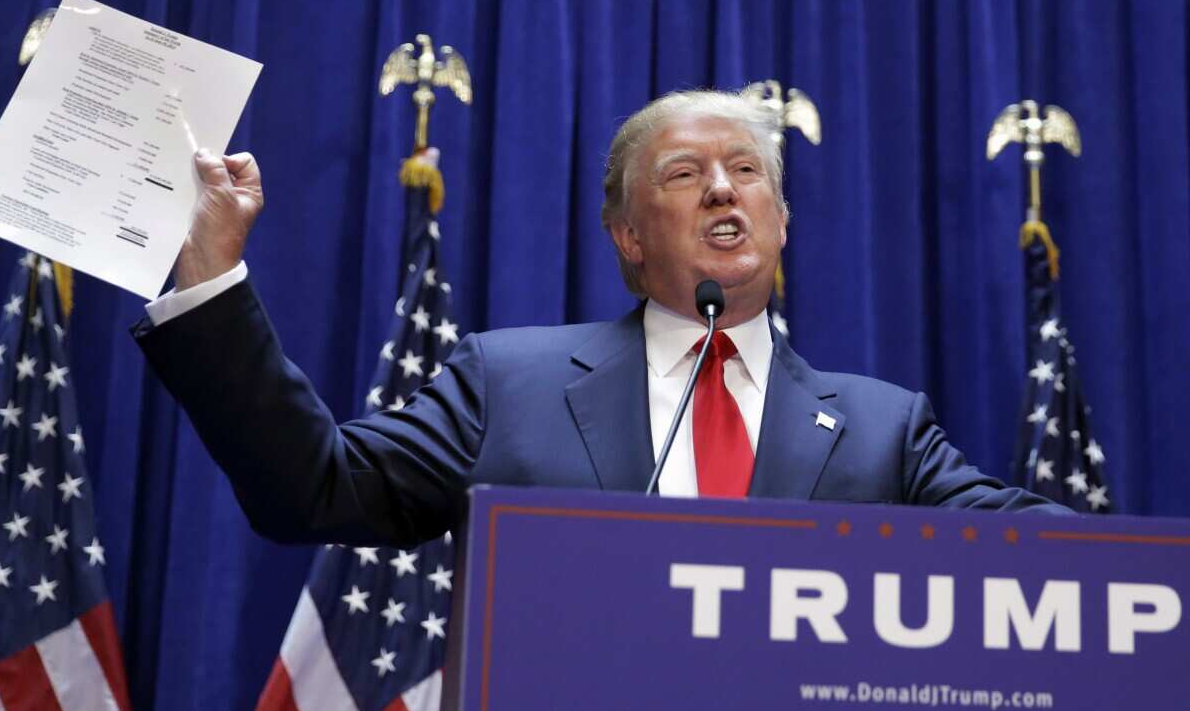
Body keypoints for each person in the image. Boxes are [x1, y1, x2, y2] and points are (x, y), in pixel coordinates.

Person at [133, 88, 1069, 548]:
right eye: (681, 175)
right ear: (626, 234)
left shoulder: (883, 428)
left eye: (746, 172)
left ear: (781, 223)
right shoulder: (510, 385)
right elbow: (315, 490)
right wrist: (214, 277)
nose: (719, 189)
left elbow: (1049, 560)